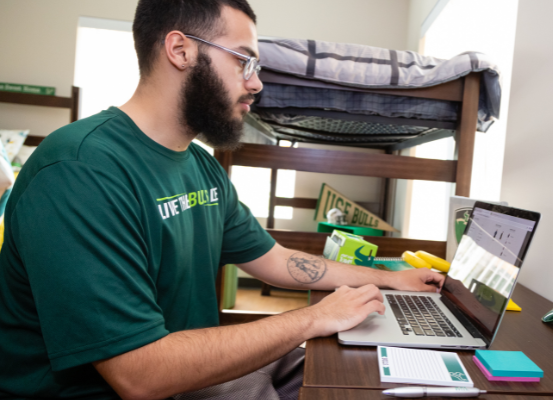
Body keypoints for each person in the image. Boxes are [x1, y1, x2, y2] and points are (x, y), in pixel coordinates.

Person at [0, 0, 445, 399]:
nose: (256, 85)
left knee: (363, 372)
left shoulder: (199, 165)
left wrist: (387, 279)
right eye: (244, 62)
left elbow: (274, 259)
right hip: (140, 381)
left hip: (188, 368)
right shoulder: (80, 172)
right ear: (181, 51)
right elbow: (140, 375)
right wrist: (314, 318)